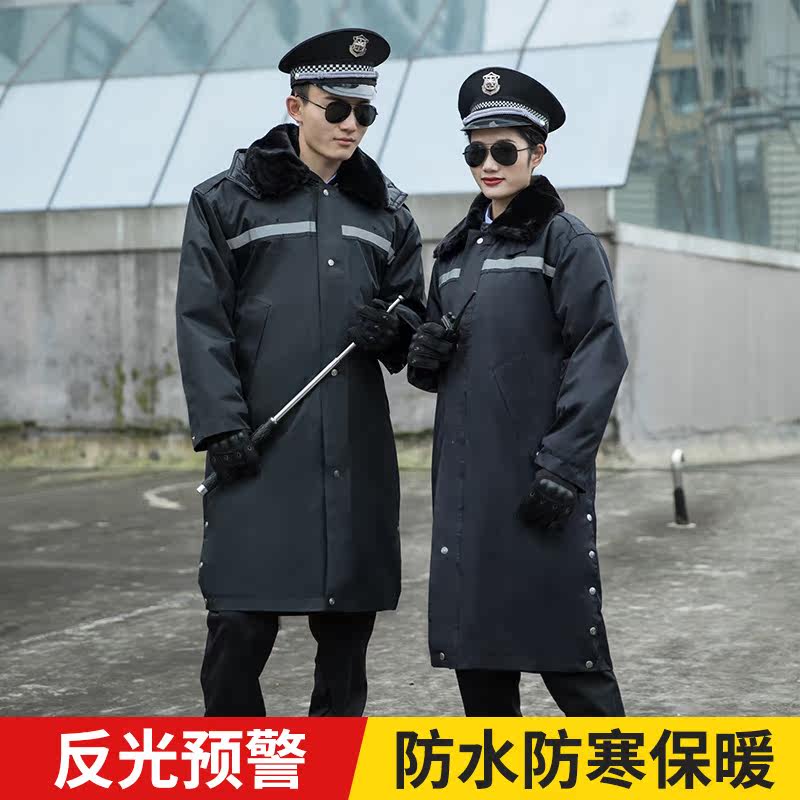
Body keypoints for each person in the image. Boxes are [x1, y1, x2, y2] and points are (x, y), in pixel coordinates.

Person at [175, 28, 425, 717]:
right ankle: (238, 765)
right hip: (257, 449)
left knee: (346, 641)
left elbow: (412, 316)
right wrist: (221, 426)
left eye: (364, 112)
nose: (351, 124)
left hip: (354, 452)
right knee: (238, 626)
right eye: (335, 108)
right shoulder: (225, 201)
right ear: (295, 107)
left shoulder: (389, 214)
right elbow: (201, 321)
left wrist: (396, 330)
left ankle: (328, 767)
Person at [407, 66, 629, 717]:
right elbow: (442, 358)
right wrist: (424, 356)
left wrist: (563, 466)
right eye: (476, 151)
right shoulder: (453, 255)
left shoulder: (567, 242)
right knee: (479, 669)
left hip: (540, 488)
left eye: (504, 150)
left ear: (538, 152)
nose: (489, 164)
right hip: (468, 497)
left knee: (572, 661)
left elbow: (599, 353)